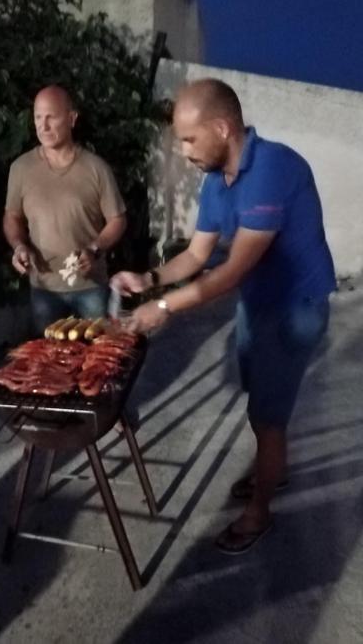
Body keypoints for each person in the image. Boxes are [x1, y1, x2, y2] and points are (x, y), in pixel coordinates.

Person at [111, 78, 336, 554]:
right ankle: (273, 473)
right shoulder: (217, 182)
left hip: (296, 309)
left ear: (222, 127)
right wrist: (148, 280)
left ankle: (258, 514)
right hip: (258, 304)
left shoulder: (272, 168)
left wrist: (165, 307)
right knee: (260, 404)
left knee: (268, 417)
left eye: (190, 139)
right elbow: (196, 256)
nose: (184, 150)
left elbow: (230, 271)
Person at [2, 85, 128, 333]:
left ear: (71, 119)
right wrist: (19, 246)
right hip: (43, 289)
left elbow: (118, 219)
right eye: (38, 117)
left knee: (98, 359)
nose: (43, 125)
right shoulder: (21, 169)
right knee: (49, 361)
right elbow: (12, 216)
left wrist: (94, 248)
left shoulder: (95, 168)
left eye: (51, 117)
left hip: (90, 287)